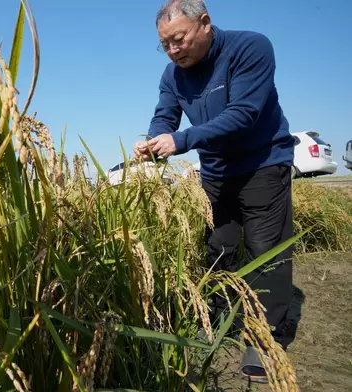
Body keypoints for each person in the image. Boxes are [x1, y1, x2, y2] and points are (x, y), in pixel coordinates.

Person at [134, 0, 295, 383]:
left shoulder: (250, 48)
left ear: (205, 23)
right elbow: (165, 114)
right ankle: (217, 318)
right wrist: (156, 140)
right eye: (165, 44)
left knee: (265, 250)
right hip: (217, 172)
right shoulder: (173, 75)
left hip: (263, 163)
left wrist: (181, 139)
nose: (173, 51)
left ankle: (264, 340)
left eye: (179, 40)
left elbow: (244, 113)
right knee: (218, 248)